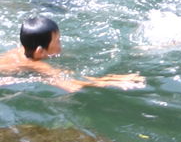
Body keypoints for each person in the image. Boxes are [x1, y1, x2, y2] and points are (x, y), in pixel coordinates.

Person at [0, 17, 145, 93]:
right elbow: (72, 83)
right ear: (40, 52)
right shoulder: (37, 65)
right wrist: (115, 81)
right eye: (57, 41)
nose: (60, 44)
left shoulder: (21, 51)